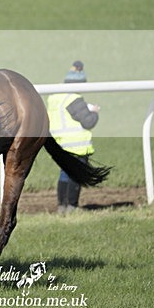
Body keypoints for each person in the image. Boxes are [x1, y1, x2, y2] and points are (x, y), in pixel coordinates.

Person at [47, 61, 101, 213]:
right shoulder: (74, 99)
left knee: (64, 175)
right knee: (76, 175)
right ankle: (72, 206)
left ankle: (61, 207)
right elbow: (88, 122)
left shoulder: (55, 97)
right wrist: (95, 112)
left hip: (60, 143)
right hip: (77, 145)